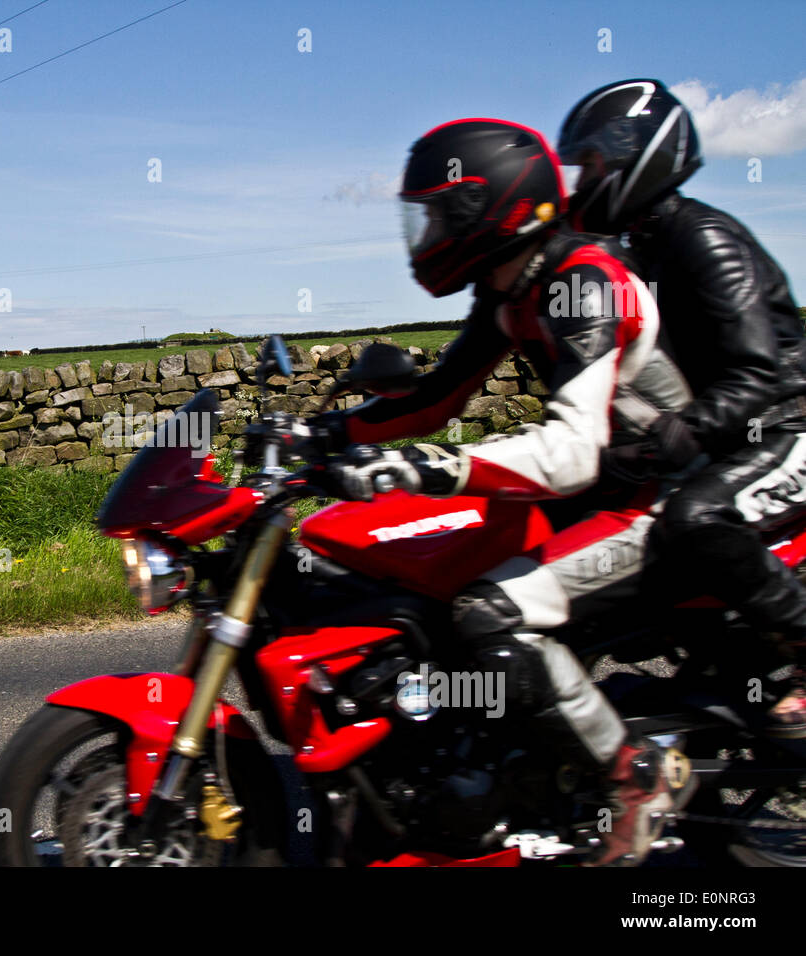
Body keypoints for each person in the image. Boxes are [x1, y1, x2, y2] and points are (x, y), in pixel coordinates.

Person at [285, 118, 696, 865]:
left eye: (440, 213)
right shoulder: (514, 285)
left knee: (490, 607)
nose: (427, 231)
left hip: (660, 497)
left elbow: (571, 451)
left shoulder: (581, 282)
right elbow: (435, 397)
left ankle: (631, 776)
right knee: (435, 579)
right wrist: (326, 435)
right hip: (606, 492)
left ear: (492, 208)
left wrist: (433, 468)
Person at [558, 79, 806, 736]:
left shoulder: (703, 237)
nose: (584, 179)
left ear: (642, 154)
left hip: (786, 426)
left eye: (593, 163)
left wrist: (681, 432)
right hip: (726, 434)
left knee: (696, 517)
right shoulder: (633, 250)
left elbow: (762, 375)